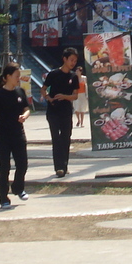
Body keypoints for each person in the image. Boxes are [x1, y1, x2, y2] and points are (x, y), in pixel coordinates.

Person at [0, 63, 31, 208]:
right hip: (2, 135)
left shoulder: (20, 92)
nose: (18, 78)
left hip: (18, 133)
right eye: (16, 76)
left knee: (22, 164)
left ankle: (18, 188)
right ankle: (3, 197)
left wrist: (24, 116)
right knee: (5, 166)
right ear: (7, 77)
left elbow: (27, 109)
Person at [43, 47, 81, 177]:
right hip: (53, 111)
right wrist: (49, 98)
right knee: (56, 139)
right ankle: (58, 167)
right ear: (64, 59)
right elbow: (43, 90)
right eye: (71, 60)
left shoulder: (74, 77)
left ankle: (64, 165)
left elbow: (75, 96)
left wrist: (64, 96)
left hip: (66, 111)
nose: (73, 63)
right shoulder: (53, 74)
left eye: (75, 61)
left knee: (66, 138)